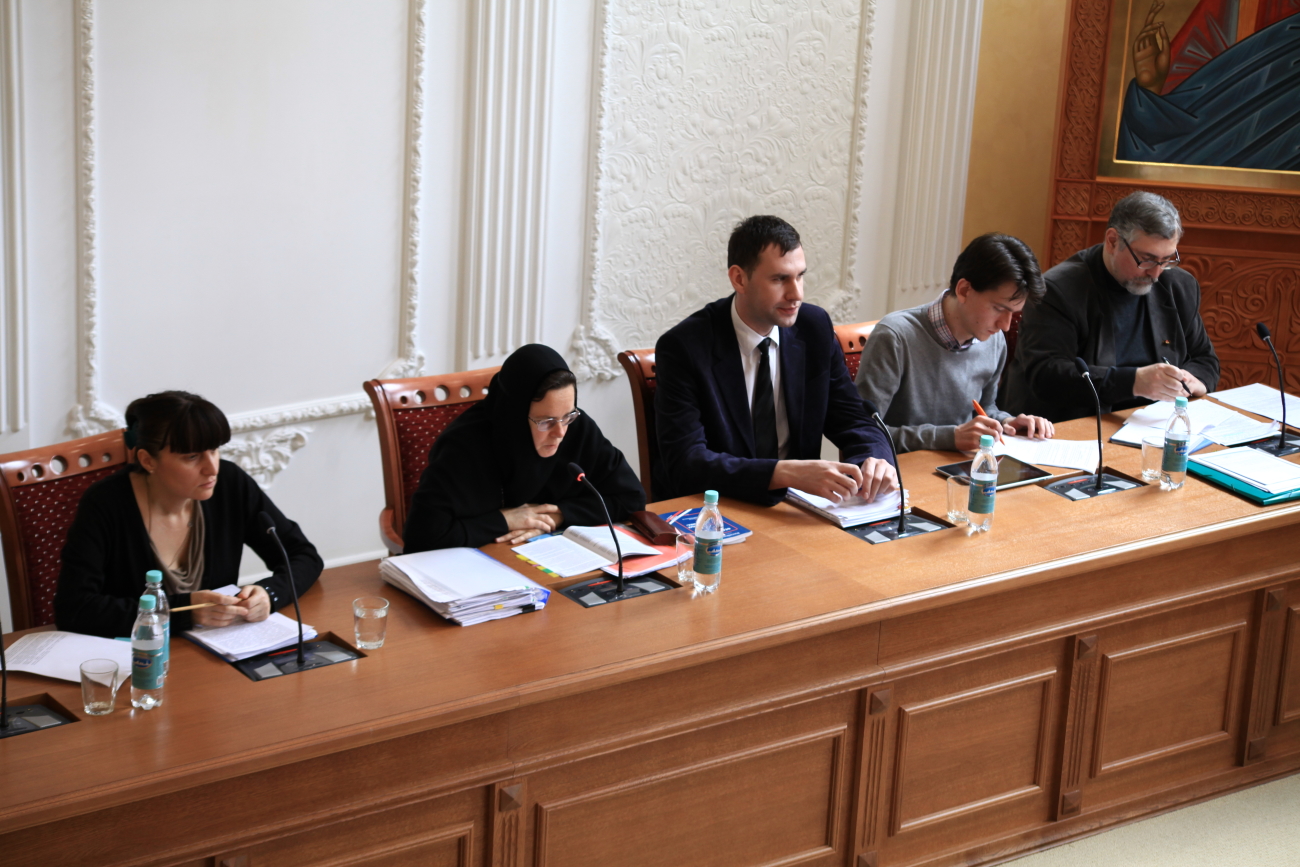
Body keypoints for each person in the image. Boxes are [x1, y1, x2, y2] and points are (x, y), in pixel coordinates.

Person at [654, 215, 897, 507]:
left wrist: (875, 459)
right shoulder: (684, 347)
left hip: (799, 509)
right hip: (719, 509)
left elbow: (854, 418)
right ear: (739, 278)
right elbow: (686, 463)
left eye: (800, 276)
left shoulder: (814, 328)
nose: (797, 294)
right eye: (780, 279)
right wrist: (783, 473)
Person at [55, 391, 322, 639]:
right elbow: (74, 609)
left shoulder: (230, 484)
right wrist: (183, 612)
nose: (212, 468)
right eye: (192, 457)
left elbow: (303, 555)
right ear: (148, 460)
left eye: (214, 449)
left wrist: (269, 593)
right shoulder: (106, 503)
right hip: (136, 657)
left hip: (217, 653)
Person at [403, 344, 645, 552]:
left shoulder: (577, 428)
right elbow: (421, 539)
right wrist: (505, 520)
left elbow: (632, 498)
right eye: (546, 421)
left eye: (568, 416)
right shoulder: (462, 448)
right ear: (515, 418)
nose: (560, 433)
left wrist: (558, 514)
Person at [1003, 191, 1220, 422]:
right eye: (1146, 259)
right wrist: (1134, 382)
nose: (1156, 274)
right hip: (1073, 426)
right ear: (1113, 241)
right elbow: (1047, 376)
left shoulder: (1179, 285)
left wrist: (1192, 380)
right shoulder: (1058, 290)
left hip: (1152, 424)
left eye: (1167, 260)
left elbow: (1205, 359)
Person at [856, 233, 1055, 453]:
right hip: (901, 470)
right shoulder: (894, 337)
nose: (1005, 326)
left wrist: (1007, 423)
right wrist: (949, 437)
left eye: (1014, 313)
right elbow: (863, 431)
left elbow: (985, 409)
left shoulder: (993, 339)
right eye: (999, 309)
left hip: (963, 465)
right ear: (964, 290)